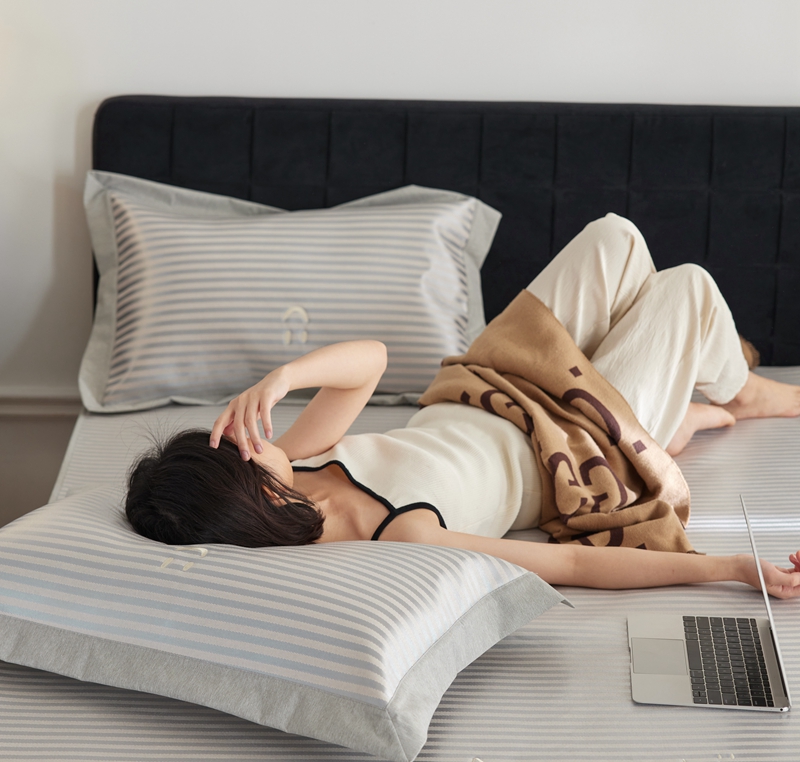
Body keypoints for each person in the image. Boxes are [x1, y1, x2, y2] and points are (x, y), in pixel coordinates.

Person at [126, 214, 800, 599]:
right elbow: (571, 566)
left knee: (616, 237)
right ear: (253, 498)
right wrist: (732, 568)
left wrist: (283, 377)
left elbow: (372, 363)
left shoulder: (297, 464)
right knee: (687, 289)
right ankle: (731, 390)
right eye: (234, 451)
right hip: (574, 443)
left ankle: (673, 410)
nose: (242, 435)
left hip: (497, 380)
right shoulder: (392, 533)